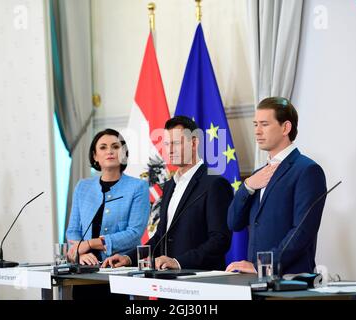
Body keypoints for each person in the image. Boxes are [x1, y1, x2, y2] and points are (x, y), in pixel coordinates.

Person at [103, 116, 233, 271]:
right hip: (168, 279)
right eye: (166, 144)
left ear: (194, 143)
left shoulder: (214, 183)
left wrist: (178, 262)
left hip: (200, 280)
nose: (170, 150)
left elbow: (220, 240)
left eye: (176, 143)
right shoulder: (171, 184)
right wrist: (129, 257)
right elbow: (160, 237)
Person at [225, 97, 327, 275]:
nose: (257, 131)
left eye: (264, 124)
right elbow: (234, 222)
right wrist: (247, 185)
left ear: (285, 128)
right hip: (256, 280)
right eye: (255, 124)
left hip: (291, 280)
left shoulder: (307, 170)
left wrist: (261, 265)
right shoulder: (258, 174)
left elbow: (302, 232)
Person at [66, 128, 149, 299]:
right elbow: (73, 230)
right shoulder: (83, 187)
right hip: (85, 272)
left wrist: (89, 243)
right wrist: (81, 253)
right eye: (103, 147)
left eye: (115, 146)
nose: (110, 151)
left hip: (120, 271)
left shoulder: (138, 187)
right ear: (95, 156)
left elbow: (134, 234)